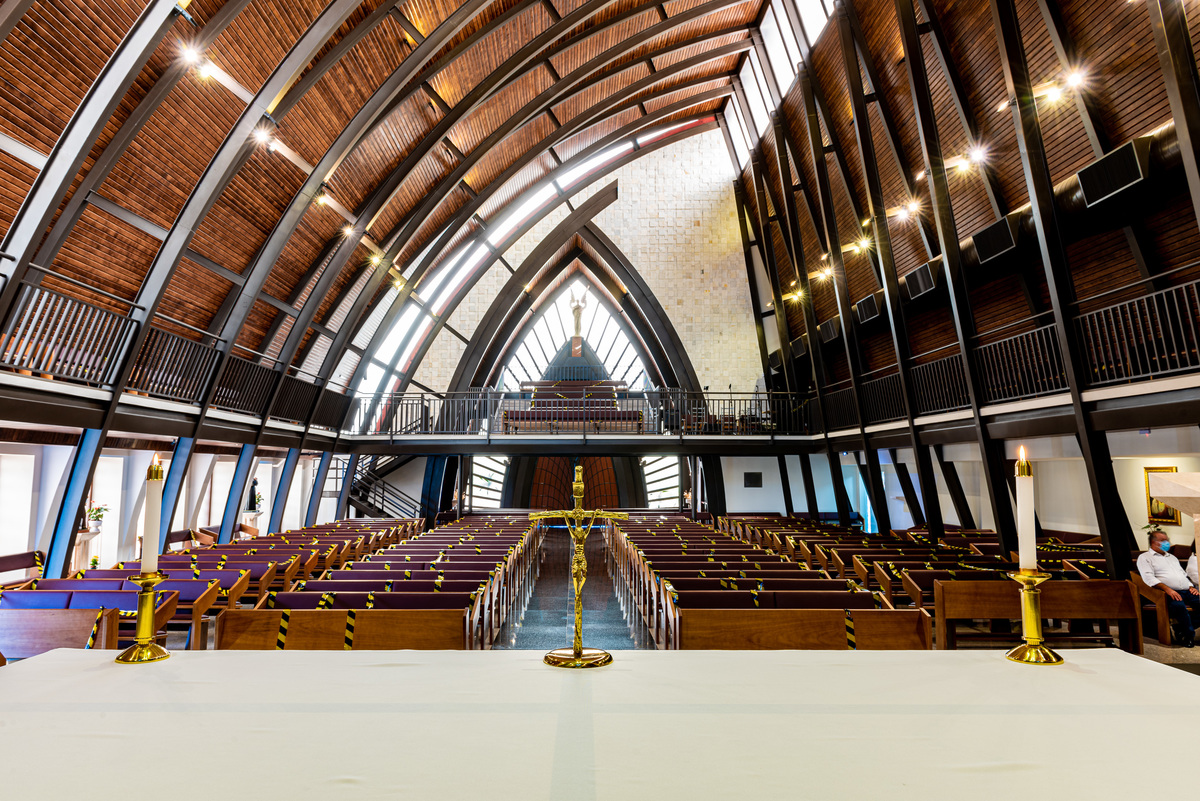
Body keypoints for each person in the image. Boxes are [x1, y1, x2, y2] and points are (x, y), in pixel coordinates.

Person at [1136, 530, 1200, 647]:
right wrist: (1168, 589)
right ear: (1153, 542)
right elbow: (1148, 578)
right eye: (1163, 540)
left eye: (1167, 540)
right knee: (1179, 606)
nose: (1167, 542)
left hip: (1186, 590)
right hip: (1166, 592)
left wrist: (1191, 586)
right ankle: (1188, 636)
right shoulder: (1145, 557)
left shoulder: (1172, 558)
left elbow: (1183, 575)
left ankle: (1180, 628)